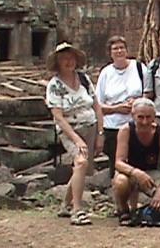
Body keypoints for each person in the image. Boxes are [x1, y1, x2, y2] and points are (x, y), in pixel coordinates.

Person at [46, 42, 104, 226]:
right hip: (70, 129)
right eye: (64, 58)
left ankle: (64, 204)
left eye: (71, 58)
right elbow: (59, 117)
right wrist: (77, 139)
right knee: (80, 161)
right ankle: (77, 209)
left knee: (82, 168)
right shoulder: (54, 85)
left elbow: (96, 106)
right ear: (58, 62)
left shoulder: (84, 79)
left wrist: (101, 133)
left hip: (90, 125)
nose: (68, 62)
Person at [113, 98, 160, 226]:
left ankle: (156, 211)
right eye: (140, 117)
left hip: (153, 173)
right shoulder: (126, 130)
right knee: (120, 182)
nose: (144, 121)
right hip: (131, 172)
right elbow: (119, 162)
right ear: (133, 116)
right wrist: (137, 173)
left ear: (154, 117)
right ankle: (123, 210)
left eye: (148, 117)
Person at [95, 36, 148, 180]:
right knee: (117, 161)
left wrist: (137, 103)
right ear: (110, 53)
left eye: (121, 48)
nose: (119, 51)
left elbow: (149, 93)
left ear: (127, 50)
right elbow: (97, 105)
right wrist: (117, 108)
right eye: (115, 49)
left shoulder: (139, 68)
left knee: (137, 160)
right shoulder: (106, 73)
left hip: (137, 124)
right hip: (113, 126)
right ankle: (117, 191)